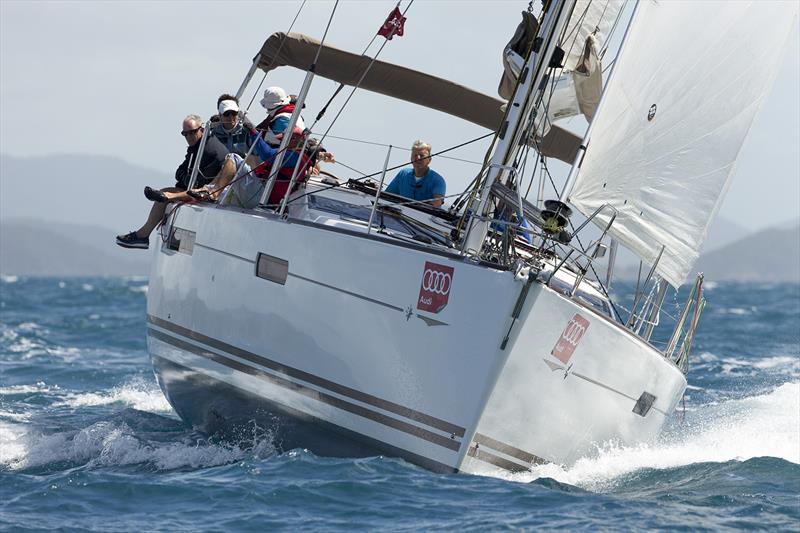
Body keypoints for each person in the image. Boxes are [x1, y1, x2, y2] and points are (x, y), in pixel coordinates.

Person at [115, 114, 230, 249]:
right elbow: (179, 171)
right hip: (194, 188)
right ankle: (143, 234)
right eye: (185, 134)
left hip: (207, 193)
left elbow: (197, 183)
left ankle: (143, 235)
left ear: (202, 129)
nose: (189, 137)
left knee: (164, 195)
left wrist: (186, 178)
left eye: (192, 132)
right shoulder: (196, 147)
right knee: (163, 194)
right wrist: (186, 177)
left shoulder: (210, 150)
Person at [384, 140, 446, 208]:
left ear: (429, 159)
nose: (418, 158)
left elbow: (437, 204)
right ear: (411, 158)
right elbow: (386, 196)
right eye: (415, 155)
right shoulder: (403, 174)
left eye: (421, 156)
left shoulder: (438, 180)